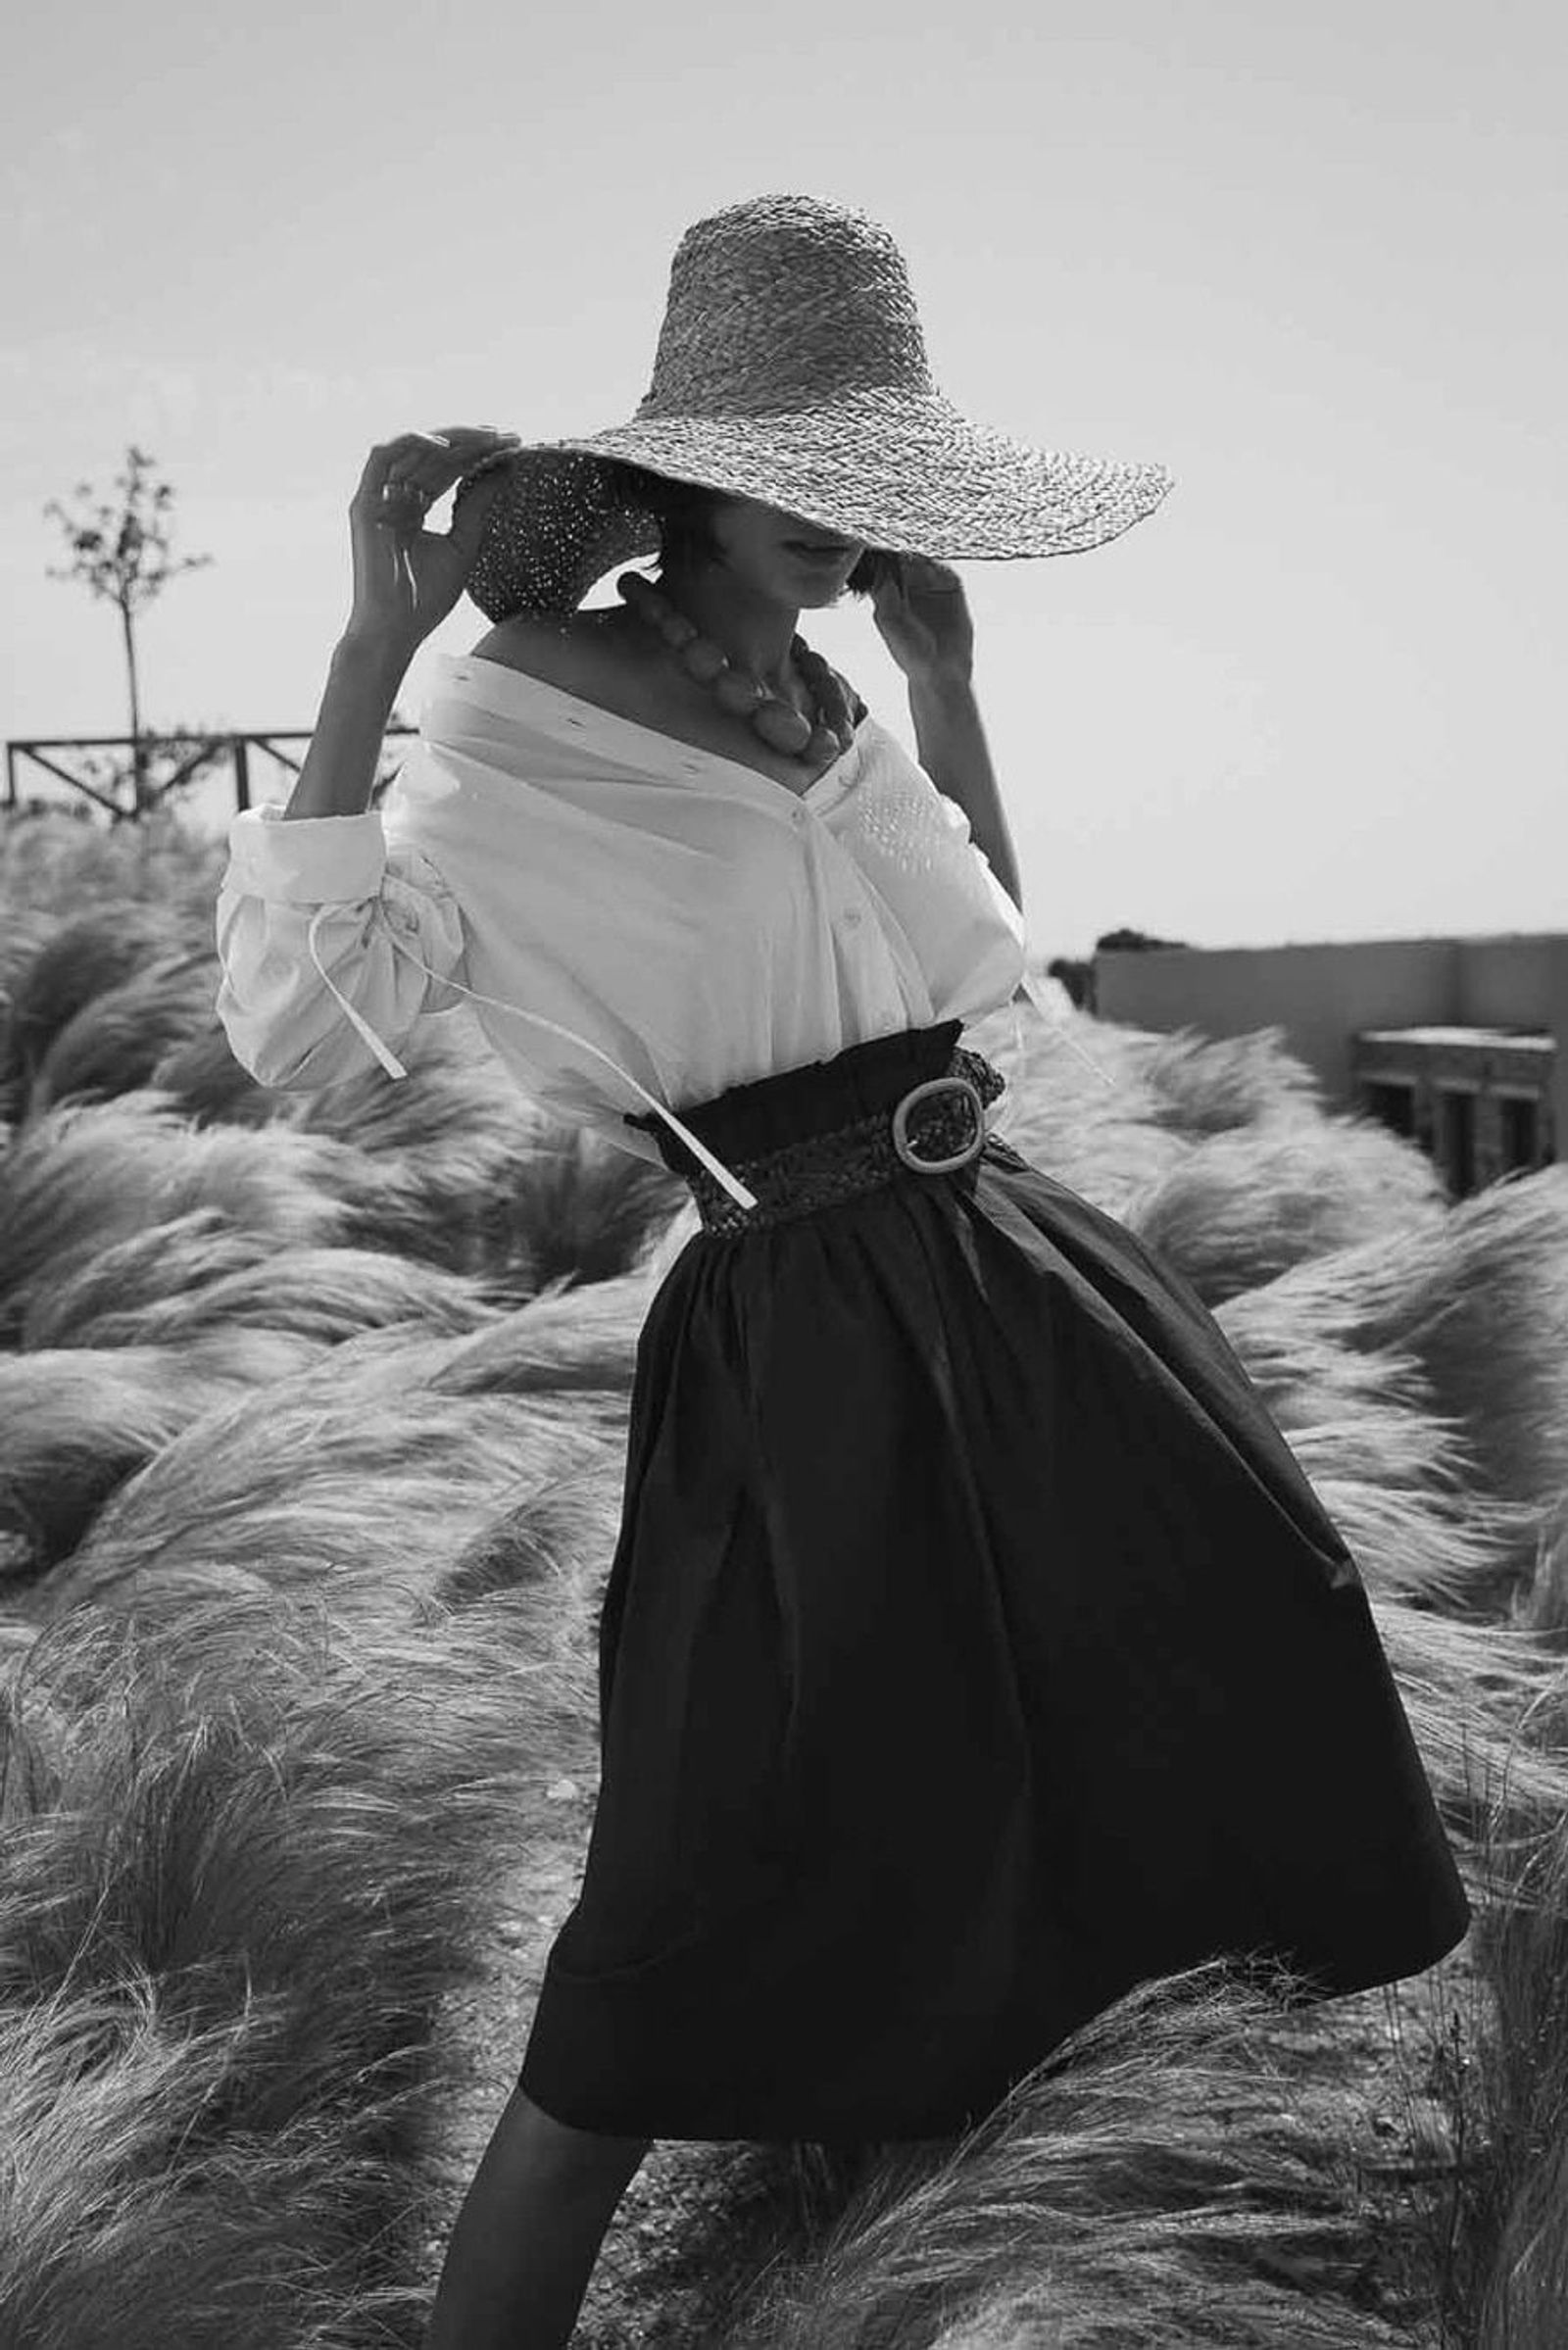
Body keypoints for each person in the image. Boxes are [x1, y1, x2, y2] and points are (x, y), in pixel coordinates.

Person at [213, 194, 1470, 2350]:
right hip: (800, 1321)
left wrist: (943, 692)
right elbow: (306, 1031)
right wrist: (361, 658)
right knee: (701, 1864)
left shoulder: (825, 693)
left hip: (1012, 1266)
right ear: (681, 478)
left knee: (1208, 1684)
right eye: (799, 475)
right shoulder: (515, 717)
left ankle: (1032, 2242)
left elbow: (980, 974)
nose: (835, 522)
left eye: (868, 487)